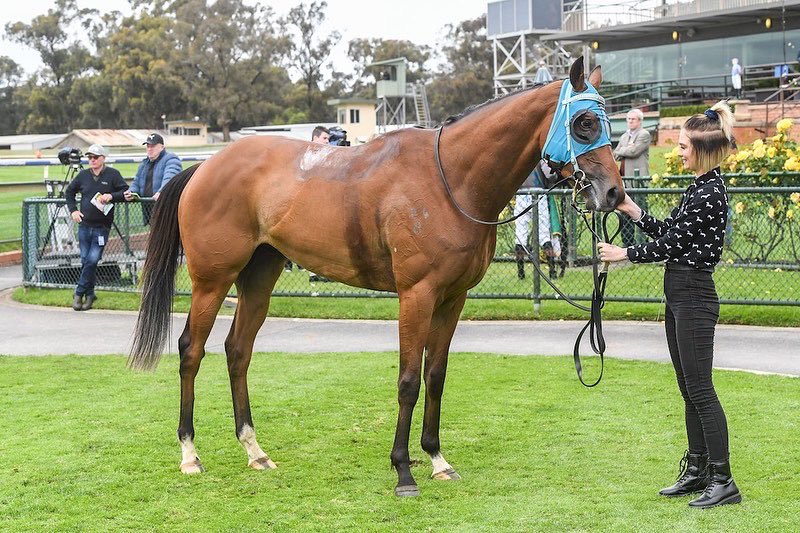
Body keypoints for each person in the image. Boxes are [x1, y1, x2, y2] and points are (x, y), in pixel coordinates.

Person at [597, 101, 742, 509]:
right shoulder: (699, 186)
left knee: (701, 390)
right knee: (688, 389)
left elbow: (672, 245)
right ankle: (697, 471)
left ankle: (723, 478)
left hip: (694, 294)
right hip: (680, 293)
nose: (677, 151)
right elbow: (669, 230)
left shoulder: (710, 192)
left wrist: (625, 252)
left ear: (703, 150)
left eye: (682, 146)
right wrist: (631, 209)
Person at [64, 144, 129, 311]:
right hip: (84, 226)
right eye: (89, 157)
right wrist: (73, 211)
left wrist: (111, 196)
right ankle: (90, 293)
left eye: (95, 157)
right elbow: (69, 192)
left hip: (102, 227)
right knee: (86, 261)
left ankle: (79, 292)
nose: (92, 160)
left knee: (92, 260)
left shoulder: (113, 175)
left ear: (103, 158)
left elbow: (126, 192)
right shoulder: (83, 175)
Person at [514, 161, 561, 279]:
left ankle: (521, 273)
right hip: (539, 194)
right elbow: (550, 175)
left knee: (520, 234)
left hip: (521, 194)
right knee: (544, 234)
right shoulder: (540, 157)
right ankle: (552, 272)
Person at [124, 133, 182, 224]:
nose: (150, 149)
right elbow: (137, 181)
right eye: (148, 146)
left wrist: (161, 192)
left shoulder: (171, 159)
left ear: (162, 147)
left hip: (167, 211)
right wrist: (131, 192)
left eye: (153, 146)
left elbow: (170, 178)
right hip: (150, 212)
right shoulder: (144, 163)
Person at [613, 108, 651, 247]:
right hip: (625, 181)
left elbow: (634, 151)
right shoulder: (624, 136)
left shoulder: (644, 134)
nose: (630, 121)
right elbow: (615, 154)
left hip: (638, 180)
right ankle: (627, 242)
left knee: (640, 211)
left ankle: (643, 241)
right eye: (628, 119)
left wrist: (625, 150)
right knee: (626, 212)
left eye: (633, 119)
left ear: (640, 121)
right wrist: (626, 149)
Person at [306, 126, 331, 282]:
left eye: (328, 139)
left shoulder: (326, 155)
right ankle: (313, 273)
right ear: (315, 138)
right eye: (324, 138)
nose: (327, 142)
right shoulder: (308, 154)